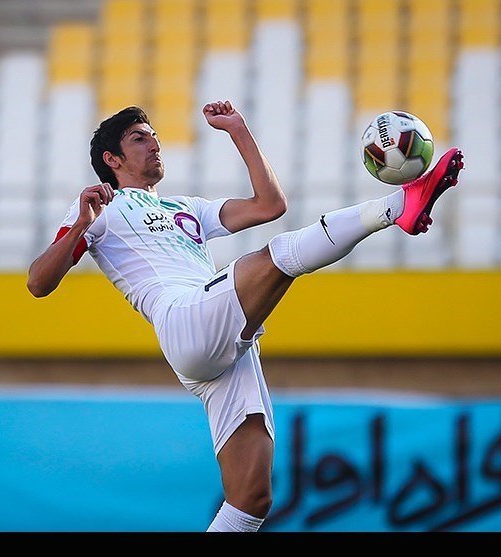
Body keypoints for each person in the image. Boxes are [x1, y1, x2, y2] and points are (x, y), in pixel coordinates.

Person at [26, 100, 464, 532]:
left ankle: (399, 206)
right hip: (182, 317)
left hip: (223, 349)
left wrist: (239, 130)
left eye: (156, 137)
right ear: (112, 159)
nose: (155, 145)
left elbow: (269, 206)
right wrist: (83, 223)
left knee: (251, 499)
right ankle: (395, 207)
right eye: (140, 139)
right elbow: (39, 283)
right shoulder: (102, 210)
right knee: (277, 257)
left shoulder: (186, 207)